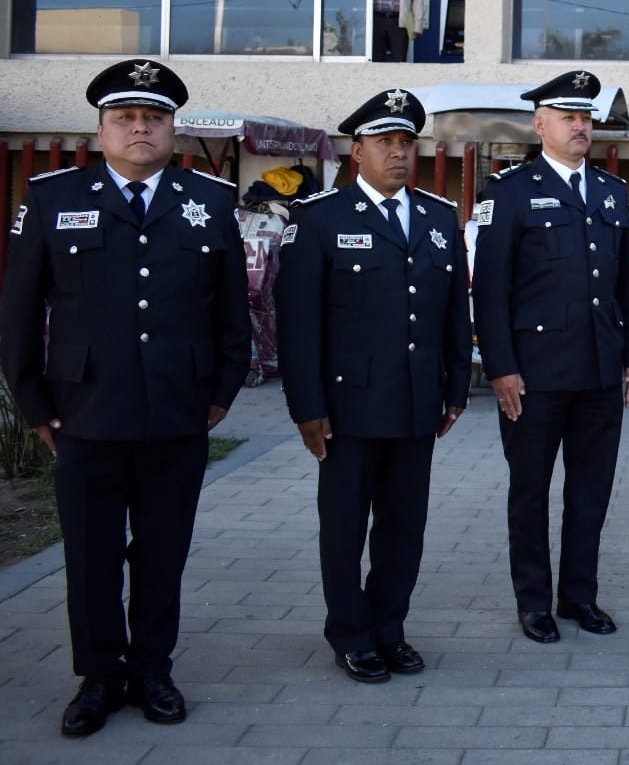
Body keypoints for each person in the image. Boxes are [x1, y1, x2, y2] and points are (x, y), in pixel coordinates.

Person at [0, 59, 250, 736]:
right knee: (89, 550)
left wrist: (223, 389)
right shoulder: (51, 198)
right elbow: (17, 313)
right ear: (102, 129)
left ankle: (153, 670)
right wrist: (32, 404)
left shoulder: (211, 201)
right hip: (83, 411)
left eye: (155, 118)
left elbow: (234, 311)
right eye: (126, 118)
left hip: (179, 408)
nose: (141, 127)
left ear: (172, 129)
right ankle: (98, 676)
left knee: (164, 550)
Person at [275, 89, 470, 684]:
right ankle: (351, 632)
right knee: (344, 526)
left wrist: (456, 386)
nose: (398, 153)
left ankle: (390, 627)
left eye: (406, 142)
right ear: (356, 150)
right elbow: (298, 324)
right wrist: (306, 406)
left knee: (404, 526)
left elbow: (452, 311)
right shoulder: (320, 218)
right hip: (348, 406)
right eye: (384, 142)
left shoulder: (437, 217)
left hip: (416, 402)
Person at [472, 70, 629, 644]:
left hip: (600, 370)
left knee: (590, 491)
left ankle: (579, 596)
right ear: (538, 124)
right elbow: (489, 289)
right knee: (530, 490)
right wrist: (499, 366)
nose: (580, 126)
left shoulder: (611, 192)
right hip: (534, 375)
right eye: (568, 117)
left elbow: (628, 285)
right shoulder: (509, 191)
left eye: (586, 117)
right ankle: (533, 602)